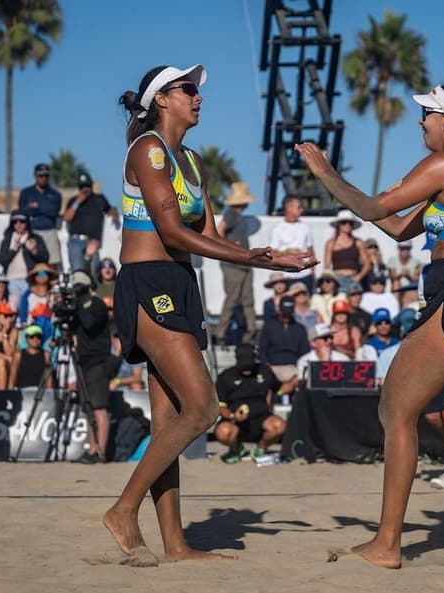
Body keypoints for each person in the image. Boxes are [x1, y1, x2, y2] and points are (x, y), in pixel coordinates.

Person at [297, 81, 444, 567]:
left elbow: (378, 207)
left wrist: (327, 174)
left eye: (426, 114)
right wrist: (360, 202)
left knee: (395, 411)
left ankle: (387, 545)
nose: (420, 121)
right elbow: (398, 227)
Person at [104, 63, 314, 564]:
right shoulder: (148, 149)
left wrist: (268, 256)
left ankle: (176, 545)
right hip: (149, 282)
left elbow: (213, 239)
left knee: (169, 425)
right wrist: (252, 258)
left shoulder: (191, 161)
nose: (198, 97)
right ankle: (122, 509)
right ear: (162, 100)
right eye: (187, 89)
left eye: (197, 89)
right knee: (202, 410)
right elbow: (174, 233)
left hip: (180, 283)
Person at [66, 271, 113, 464]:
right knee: (89, 409)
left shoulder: (97, 304)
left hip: (98, 361)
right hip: (84, 361)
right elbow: (70, 327)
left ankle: (100, 451)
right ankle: (92, 449)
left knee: (99, 408)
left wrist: (77, 305)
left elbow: (90, 324)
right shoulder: (80, 306)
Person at [214, 343, 285, 463]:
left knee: (279, 426)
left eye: (249, 364)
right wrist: (233, 416)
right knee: (223, 432)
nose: (246, 369)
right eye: (243, 364)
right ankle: (236, 449)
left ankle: (261, 449)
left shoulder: (264, 371)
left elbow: (280, 389)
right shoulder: (226, 377)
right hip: (235, 421)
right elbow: (221, 407)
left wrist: (295, 382)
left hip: (262, 418)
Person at [213, 181, 259, 344]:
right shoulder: (231, 214)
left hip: (244, 263)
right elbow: (219, 230)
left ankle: (251, 330)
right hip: (233, 264)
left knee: (247, 298)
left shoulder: (235, 215)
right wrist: (230, 247)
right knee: (233, 298)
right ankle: (221, 331)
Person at [63, 172, 120, 277]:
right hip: (76, 241)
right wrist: (78, 201)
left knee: (94, 274)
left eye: (87, 186)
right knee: (78, 273)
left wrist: (115, 213)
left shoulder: (100, 199)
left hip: (93, 242)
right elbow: (67, 217)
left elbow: (110, 211)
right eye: (82, 186)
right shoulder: (73, 200)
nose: (85, 189)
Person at [258, 295, 311, 394]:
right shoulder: (269, 326)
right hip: (272, 367)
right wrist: (267, 366)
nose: (286, 316)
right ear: (279, 310)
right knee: (264, 379)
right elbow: (262, 350)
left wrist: (299, 371)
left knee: (305, 377)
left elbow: (305, 352)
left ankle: (282, 393)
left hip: (293, 367)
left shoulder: (300, 329)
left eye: (288, 313)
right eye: (284, 313)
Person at [19, 163, 63, 271]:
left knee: (52, 262)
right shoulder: (26, 193)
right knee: (31, 262)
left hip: (49, 230)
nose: (43, 178)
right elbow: (23, 211)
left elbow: (53, 211)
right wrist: (44, 207)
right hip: (32, 230)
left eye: (46, 176)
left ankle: (52, 285)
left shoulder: (55, 194)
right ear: (34, 176)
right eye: (40, 176)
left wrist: (36, 207)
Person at [0, 211, 49, 300]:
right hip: (11, 280)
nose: (18, 224)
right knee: (14, 307)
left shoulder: (35, 238)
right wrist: (13, 250)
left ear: (27, 223)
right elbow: (2, 261)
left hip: (29, 280)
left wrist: (33, 251)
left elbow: (45, 258)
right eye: (15, 222)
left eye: (22, 221)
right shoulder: (7, 240)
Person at [269, 194, 316, 293]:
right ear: (289, 208)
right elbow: (272, 254)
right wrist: (287, 252)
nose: (301, 210)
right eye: (299, 207)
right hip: (287, 275)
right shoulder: (278, 229)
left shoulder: (306, 227)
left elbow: (311, 251)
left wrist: (312, 272)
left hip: (305, 274)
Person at [325, 209, 371, 293]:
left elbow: (367, 264)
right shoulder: (331, 243)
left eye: (350, 223)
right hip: (337, 279)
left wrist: (359, 277)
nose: (347, 225)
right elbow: (327, 266)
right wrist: (330, 281)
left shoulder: (358, 242)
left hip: (353, 278)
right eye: (344, 222)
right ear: (339, 225)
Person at [8, 325, 52, 389]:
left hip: (39, 393)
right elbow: (12, 377)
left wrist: (49, 395)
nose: (35, 339)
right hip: (22, 392)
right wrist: (10, 395)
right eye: (32, 336)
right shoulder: (18, 355)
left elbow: (49, 377)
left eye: (38, 337)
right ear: (26, 338)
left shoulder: (46, 355)